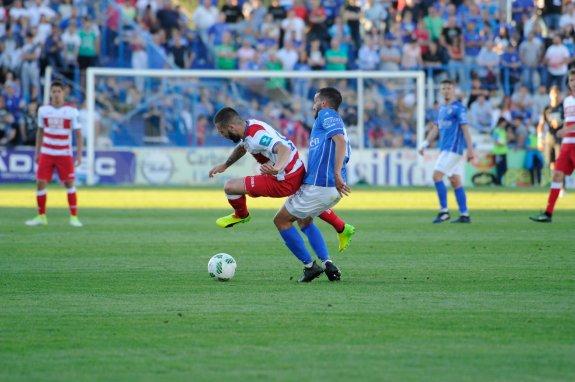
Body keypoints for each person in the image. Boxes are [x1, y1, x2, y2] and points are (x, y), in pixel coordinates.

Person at [209, 107, 355, 252]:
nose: (221, 135)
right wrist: (225, 165)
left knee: (230, 187)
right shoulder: (250, 125)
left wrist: (277, 168)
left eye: (222, 132)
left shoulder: (256, 136)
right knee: (307, 207)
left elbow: (283, 149)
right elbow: (243, 146)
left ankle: (241, 215)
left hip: (285, 178)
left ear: (231, 127)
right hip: (296, 168)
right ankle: (342, 228)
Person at [273, 87, 350, 282]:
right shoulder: (326, 121)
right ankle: (327, 264)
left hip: (322, 185)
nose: (313, 105)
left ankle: (309, 267)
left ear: (323, 103)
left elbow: (340, 142)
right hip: (327, 188)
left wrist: (336, 174)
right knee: (305, 220)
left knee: (281, 221)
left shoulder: (326, 114)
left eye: (315, 101)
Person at [25, 81, 83, 227]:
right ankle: (41, 216)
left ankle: (74, 217)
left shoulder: (71, 111)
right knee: (40, 183)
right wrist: (37, 152)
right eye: (54, 91)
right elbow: (40, 131)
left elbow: (78, 134)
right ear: (50, 93)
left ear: (63, 93)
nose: (56, 94)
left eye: (59, 91)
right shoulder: (43, 110)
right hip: (47, 152)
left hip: (64, 153)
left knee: (69, 184)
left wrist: (79, 154)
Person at [418, 79, 475, 223]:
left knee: (436, 176)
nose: (446, 90)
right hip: (445, 149)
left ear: (454, 90)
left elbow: (465, 129)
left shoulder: (459, 108)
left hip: (454, 149)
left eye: (449, 88)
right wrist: (425, 143)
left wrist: (470, 149)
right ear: (441, 91)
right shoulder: (442, 109)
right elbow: (436, 128)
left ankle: (444, 212)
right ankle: (464, 214)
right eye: (443, 88)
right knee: (455, 181)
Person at [530, 69, 575, 222]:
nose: (573, 83)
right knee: (556, 174)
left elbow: (570, 126)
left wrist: (566, 129)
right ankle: (548, 213)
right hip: (567, 145)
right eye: (571, 80)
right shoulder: (568, 101)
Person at [491, 117, 508, 186]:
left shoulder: (503, 131)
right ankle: (498, 182)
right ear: (501, 122)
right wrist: (501, 143)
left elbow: (505, 140)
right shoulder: (496, 131)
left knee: (504, 168)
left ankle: (497, 181)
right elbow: (495, 141)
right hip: (498, 152)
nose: (505, 124)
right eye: (504, 123)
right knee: (499, 168)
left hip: (504, 152)